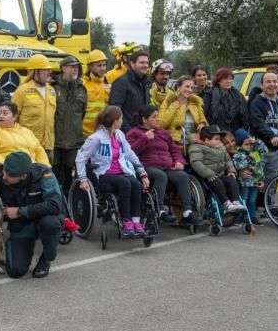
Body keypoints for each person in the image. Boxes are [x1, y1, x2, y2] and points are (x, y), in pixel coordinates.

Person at [75, 106, 150, 236]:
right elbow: (80, 158)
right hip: (103, 174)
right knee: (125, 184)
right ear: (115, 121)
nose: (122, 120)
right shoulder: (96, 138)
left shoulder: (120, 135)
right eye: (121, 118)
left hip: (121, 171)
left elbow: (130, 153)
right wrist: (82, 179)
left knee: (136, 184)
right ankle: (125, 221)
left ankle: (136, 222)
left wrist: (142, 173)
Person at [126, 105, 203, 226]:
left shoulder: (163, 133)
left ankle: (187, 212)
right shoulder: (133, 133)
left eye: (158, 116)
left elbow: (174, 151)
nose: (158, 119)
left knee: (182, 175)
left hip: (167, 166)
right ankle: (160, 210)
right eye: (154, 117)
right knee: (160, 176)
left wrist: (179, 161)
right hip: (146, 166)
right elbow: (130, 153)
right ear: (145, 120)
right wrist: (144, 138)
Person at [0, 151, 62, 279]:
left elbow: (55, 205)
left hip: (43, 219)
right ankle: (26, 245)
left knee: (50, 224)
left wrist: (20, 211)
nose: (4, 176)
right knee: (15, 271)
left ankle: (46, 257)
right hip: (23, 224)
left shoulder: (45, 173)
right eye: (4, 170)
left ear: (23, 176)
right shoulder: (3, 175)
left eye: (9, 174)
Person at [189, 125, 246, 213]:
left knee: (232, 181)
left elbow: (227, 160)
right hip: (206, 176)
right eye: (216, 139)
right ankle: (226, 203)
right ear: (207, 140)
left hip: (220, 173)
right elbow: (196, 162)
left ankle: (236, 201)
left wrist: (231, 170)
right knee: (217, 182)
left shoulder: (221, 148)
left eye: (219, 139)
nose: (219, 141)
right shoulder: (196, 147)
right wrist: (209, 174)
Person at [249, 72, 278, 187]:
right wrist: (271, 136)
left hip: (277, 150)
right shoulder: (257, 103)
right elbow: (259, 123)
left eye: (275, 81)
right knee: (257, 182)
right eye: (268, 82)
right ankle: (256, 205)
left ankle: (269, 203)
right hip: (260, 150)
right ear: (261, 85)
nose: (272, 84)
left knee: (272, 181)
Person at [11, 54, 56, 161]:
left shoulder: (51, 91)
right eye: (46, 70)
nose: (49, 72)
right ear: (36, 72)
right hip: (28, 147)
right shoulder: (22, 91)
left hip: (48, 148)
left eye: (49, 69)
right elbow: (12, 119)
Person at [52, 55, 86, 193]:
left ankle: (70, 205)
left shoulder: (81, 89)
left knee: (70, 178)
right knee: (54, 175)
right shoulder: (53, 88)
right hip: (55, 141)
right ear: (63, 68)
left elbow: (82, 113)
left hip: (74, 141)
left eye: (77, 67)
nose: (75, 70)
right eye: (72, 67)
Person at [0, 101, 50, 166]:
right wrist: (9, 167)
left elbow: (39, 151)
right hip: (9, 171)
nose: (1, 116)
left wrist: (45, 167)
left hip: (33, 168)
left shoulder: (26, 131)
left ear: (15, 116)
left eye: (5, 113)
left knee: (49, 177)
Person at [109, 50, 151, 133]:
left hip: (143, 133)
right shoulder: (121, 82)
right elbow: (115, 110)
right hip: (127, 134)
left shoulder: (146, 83)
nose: (145, 65)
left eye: (147, 63)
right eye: (142, 62)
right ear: (132, 64)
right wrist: (129, 132)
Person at [232, 128, 267, 226]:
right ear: (240, 145)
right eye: (246, 144)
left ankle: (252, 217)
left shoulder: (254, 151)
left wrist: (256, 141)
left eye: (250, 144)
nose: (249, 147)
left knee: (252, 200)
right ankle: (240, 217)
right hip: (245, 182)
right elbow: (239, 166)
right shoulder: (238, 154)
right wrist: (249, 158)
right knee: (244, 199)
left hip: (255, 182)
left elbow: (264, 149)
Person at [159, 75, 207, 145]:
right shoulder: (168, 101)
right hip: (174, 144)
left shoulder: (196, 102)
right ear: (178, 87)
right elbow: (161, 124)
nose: (190, 90)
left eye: (192, 87)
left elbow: (203, 120)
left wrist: (203, 123)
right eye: (187, 86)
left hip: (194, 144)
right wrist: (173, 107)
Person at [202, 67, 249, 133]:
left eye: (230, 78)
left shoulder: (238, 96)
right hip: (216, 134)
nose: (229, 81)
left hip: (234, 134)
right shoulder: (209, 95)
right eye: (225, 79)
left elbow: (245, 117)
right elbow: (205, 116)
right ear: (218, 80)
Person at [82, 49, 110, 136]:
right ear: (90, 67)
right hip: (84, 134)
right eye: (99, 66)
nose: (102, 68)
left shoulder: (108, 83)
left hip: (103, 133)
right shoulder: (83, 84)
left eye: (104, 65)